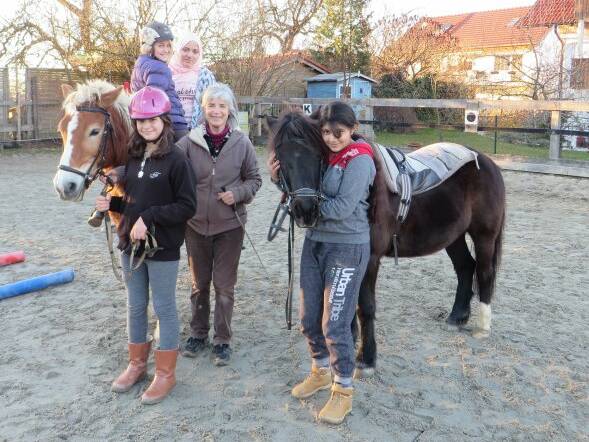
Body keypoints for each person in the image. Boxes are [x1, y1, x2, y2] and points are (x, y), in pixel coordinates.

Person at [267, 102, 375, 425]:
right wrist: (280, 181)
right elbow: (303, 184)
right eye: (326, 132)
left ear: (352, 129)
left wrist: (304, 204)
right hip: (315, 243)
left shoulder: (360, 159)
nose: (331, 138)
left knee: (335, 323)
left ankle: (343, 391)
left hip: (346, 247)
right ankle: (319, 370)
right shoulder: (323, 154)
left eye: (338, 132)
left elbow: (341, 207)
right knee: (308, 317)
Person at [95, 86, 196, 405]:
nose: (147, 126)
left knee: (164, 308)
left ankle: (165, 374)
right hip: (130, 245)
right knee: (135, 306)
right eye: (141, 121)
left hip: (161, 248)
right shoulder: (134, 157)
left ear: (164, 121)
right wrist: (111, 204)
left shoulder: (177, 160)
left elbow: (187, 206)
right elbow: (134, 204)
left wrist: (150, 217)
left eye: (153, 120)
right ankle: (137, 364)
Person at [176, 83, 262, 366]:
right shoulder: (189, 142)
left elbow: (255, 180)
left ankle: (222, 340)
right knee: (199, 284)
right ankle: (198, 334)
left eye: (222, 106)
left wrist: (236, 194)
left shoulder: (242, 142)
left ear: (229, 110)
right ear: (204, 109)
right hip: (196, 226)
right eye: (211, 105)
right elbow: (168, 168)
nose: (216, 111)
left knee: (224, 286)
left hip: (230, 227)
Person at [131, 21, 188, 140]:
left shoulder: (141, 64)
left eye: (168, 45)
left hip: (161, 123)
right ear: (150, 47)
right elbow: (155, 102)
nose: (166, 50)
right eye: (161, 45)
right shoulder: (159, 68)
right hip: (173, 124)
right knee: (186, 155)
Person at [169, 33, 216, 129]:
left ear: (200, 54)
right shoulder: (167, 73)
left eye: (195, 51)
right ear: (178, 50)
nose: (190, 55)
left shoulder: (205, 76)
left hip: (198, 131)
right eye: (185, 49)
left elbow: (213, 104)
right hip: (170, 129)